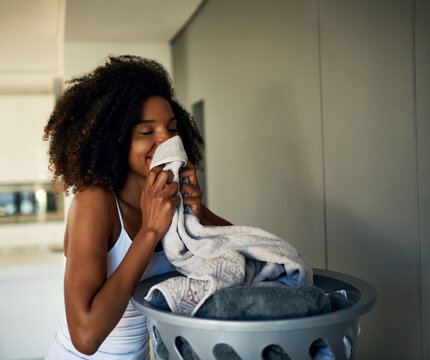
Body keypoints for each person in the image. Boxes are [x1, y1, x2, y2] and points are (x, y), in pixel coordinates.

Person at [44, 55, 231, 359]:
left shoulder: (173, 202)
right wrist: (150, 231)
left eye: (172, 128)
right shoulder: (95, 203)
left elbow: (246, 253)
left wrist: (198, 215)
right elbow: (85, 336)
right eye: (147, 132)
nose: (166, 140)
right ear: (116, 140)